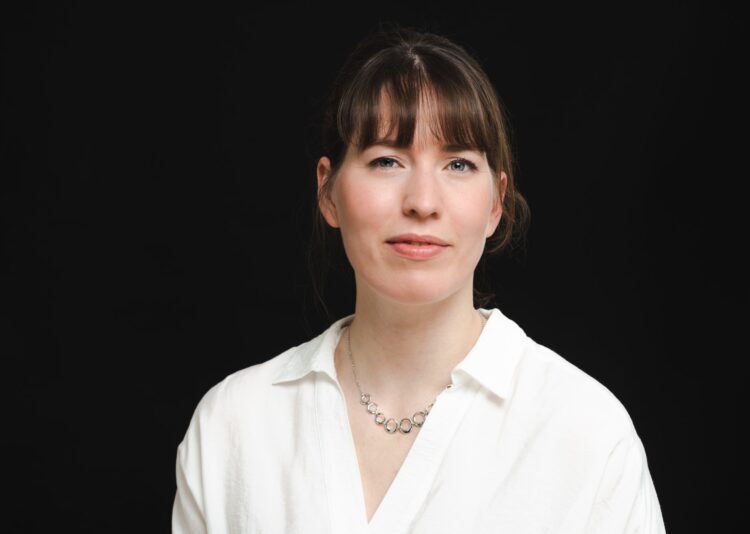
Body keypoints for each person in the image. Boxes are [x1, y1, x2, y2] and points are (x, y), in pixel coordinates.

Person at [172, 25, 666, 534]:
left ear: (496, 202)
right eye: (387, 161)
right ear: (328, 191)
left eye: (458, 164)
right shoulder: (233, 425)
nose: (423, 202)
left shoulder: (586, 433)